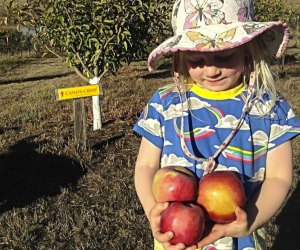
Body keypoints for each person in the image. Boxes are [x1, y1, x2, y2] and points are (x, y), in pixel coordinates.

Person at [134, 0, 300, 249]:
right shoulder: (165, 104)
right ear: (181, 56)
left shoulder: (270, 108)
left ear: (247, 48)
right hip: (175, 236)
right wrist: (153, 213)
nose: (211, 70)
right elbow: (146, 165)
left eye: (224, 56)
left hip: (240, 238)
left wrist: (251, 222)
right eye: (196, 59)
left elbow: (279, 177)